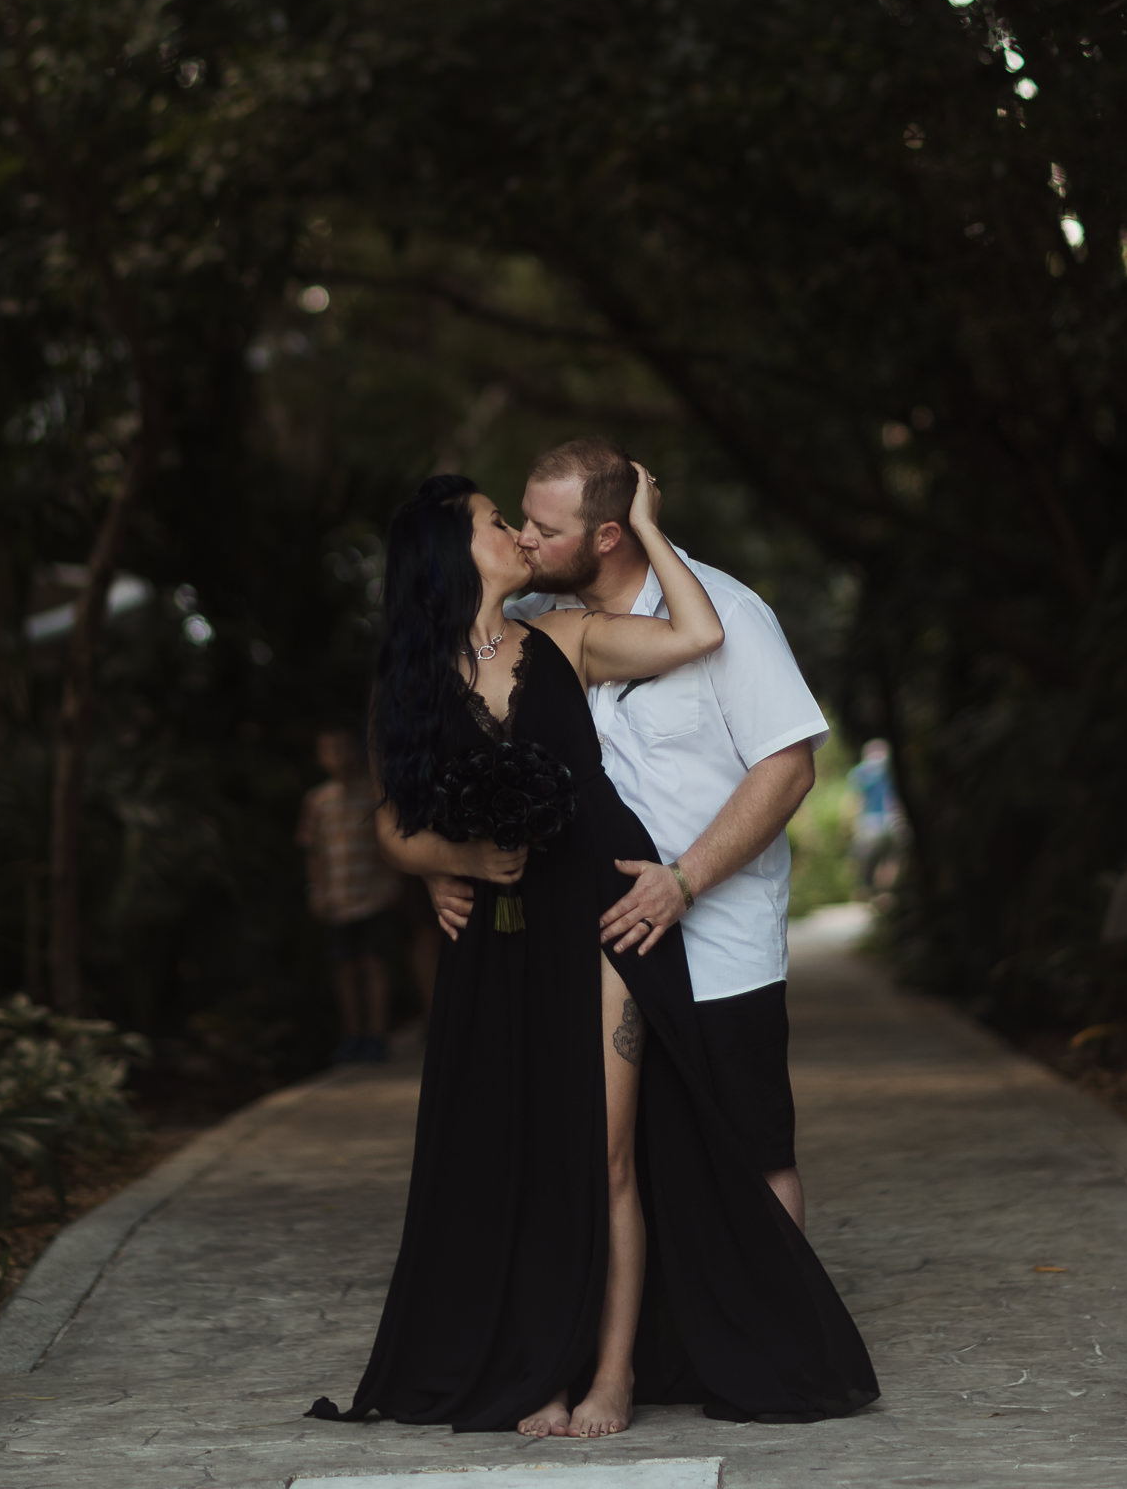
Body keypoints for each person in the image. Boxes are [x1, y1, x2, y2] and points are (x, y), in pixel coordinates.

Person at [307, 467, 877, 1439]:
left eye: (527, 520)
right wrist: (460, 858)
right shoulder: (406, 677)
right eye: (499, 522)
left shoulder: (561, 637)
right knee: (521, 1157)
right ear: (455, 551)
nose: (520, 535)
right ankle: (542, 1366)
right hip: (493, 941)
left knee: (608, 1154)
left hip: (602, 917)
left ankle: (610, 1376)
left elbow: (697, 635)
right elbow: (395, 822)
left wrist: (650, 527)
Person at [432, 436, 826, 1231]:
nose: (524, 541)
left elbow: (786, 770)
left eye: (545, 530)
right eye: (521, 522)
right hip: (584, 939)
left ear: (608, 534)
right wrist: (445, 863)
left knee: (750, 1148)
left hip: (716, 938)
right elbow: (461, 759)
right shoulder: (533, 624)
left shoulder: (729, 611)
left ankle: (781, 1341)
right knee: (626, 1157)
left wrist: (684, 879)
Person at [297, 727, 401, 1065]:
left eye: (344, 748)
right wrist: (317, 890)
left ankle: (377, 1035)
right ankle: (353, 1034)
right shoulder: (317, 801)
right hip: (338, 897)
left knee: (374, 963)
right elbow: (312, 850)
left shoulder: (372, 794)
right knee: (345, 967)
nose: (339, 756)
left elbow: (390, 840)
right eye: (330, 750)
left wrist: (391, 881)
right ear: (320, 757)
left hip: (373, 894)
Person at [845, 737, 906, 895]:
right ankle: (886, 891)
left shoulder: (860, 772)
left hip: (869, 822)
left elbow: (856, 800)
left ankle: (873, 890)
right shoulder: (891, 768)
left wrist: (851, 823)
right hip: (893, 819)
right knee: (891, 857)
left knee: (870, 858)